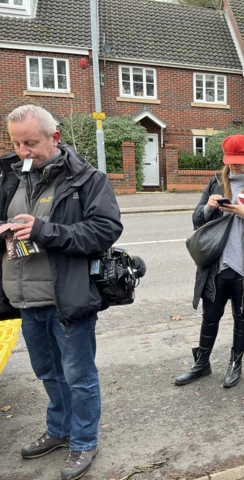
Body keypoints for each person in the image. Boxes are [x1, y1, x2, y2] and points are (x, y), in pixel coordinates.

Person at [3, 105, 123, 479]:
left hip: (66, 297)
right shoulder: (8, 176)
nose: (24, 151)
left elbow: (105, 231)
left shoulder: (87, 179)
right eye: (17, 143)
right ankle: (60, 430)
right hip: (24, 296)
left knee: (78, 375)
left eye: (32, 143)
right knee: (48, 372)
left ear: (54, 138)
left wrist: (44, 231)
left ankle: (84, 440)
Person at [176, 134, 244, 388]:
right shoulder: (216, 183)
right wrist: (208, 208)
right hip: (217, 265)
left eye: (240, 161)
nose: (234, 166)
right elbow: (197, 220)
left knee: (241, 316)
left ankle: (236, 363)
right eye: (231, 161)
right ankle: (202, 363)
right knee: (210, 315)